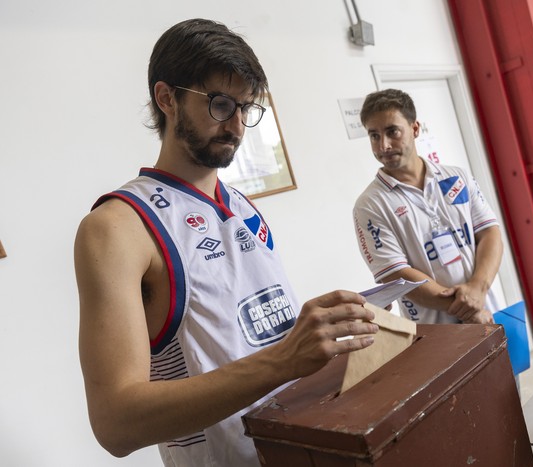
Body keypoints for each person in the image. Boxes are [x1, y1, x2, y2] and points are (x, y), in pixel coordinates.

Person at [74, 18, 378, 467]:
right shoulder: (118, 227)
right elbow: (115, 424)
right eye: (219, 104)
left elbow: (256, 341)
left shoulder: (241, 206)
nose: (237, 125)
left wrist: (324, 341)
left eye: (246, 108)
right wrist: (284, 359)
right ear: (166, 98)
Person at [352, 88, 505, 326]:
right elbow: (396, 275)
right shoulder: (370, 205)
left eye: (392, 132)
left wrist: (477, 288)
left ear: (414, 129)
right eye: (374, 135)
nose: (383, 145)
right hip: (435, 333)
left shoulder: (456, 177)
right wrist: (469, 310)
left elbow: (490, 233)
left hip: (488, 311)